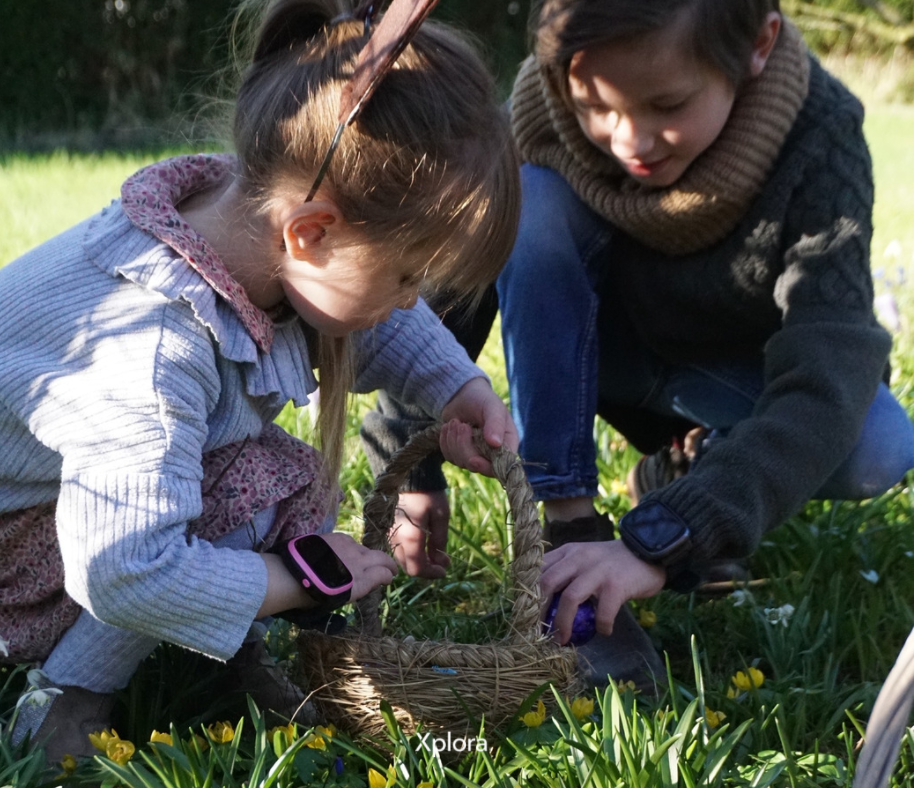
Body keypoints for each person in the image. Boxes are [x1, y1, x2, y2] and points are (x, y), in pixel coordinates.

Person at [0, 0, 520, 762]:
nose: (409, 298)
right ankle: (67, 701)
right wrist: (298, 578)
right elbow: (126, 568)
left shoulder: (251, 221)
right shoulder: (154, 346)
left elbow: (378, 319)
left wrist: (459, 389)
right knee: (245, 492)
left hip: (54, 513)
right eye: (407, 274)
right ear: (311, 232)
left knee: (258, 478)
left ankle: (214, 649)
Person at [365, 0, 914, 691]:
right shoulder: (539, 113)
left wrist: (671, 537)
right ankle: (570, 533)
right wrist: (411, 463)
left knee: (876, 446)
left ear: (758, 45)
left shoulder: (818, 135)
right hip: (590, 356)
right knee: (526, 205)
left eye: (667, 104)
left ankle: (686, 470)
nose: (631, 138)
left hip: (724, 376)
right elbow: (451, 290)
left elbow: (832, 362)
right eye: (598, 105)